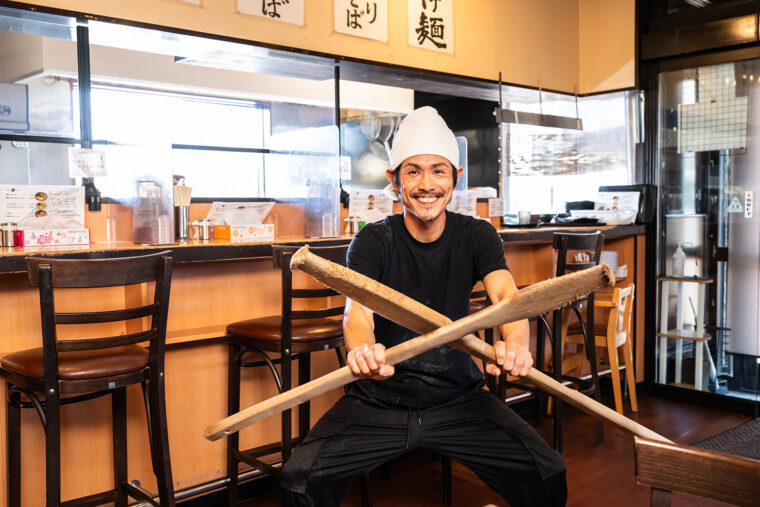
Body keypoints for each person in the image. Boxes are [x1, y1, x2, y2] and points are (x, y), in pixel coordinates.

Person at [281, 107, 567, 506]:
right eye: (413, 171)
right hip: (380, 398)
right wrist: (362, 351)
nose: (426, 184)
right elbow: (357, 312)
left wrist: (517, 343)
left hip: (459, 397)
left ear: (456, 179)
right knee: (299, 480)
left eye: (438, 171)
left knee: (547, 473)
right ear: (394, 182)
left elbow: (507, 300)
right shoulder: (372, 241)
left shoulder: (477, 235)